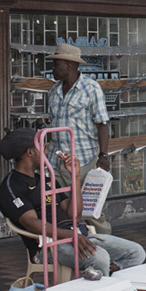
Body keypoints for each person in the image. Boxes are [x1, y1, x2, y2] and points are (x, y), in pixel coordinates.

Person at [0, 128, 145, 276]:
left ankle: (102, 280)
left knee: (136, 252)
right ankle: (99, 290)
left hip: (77, 235)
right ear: (30, 152)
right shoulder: (11, 187)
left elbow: (75, 216)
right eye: (43, 148)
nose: (47, 153)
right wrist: (70, 235)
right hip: (48, 246)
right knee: (100, 258)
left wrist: (75, 175)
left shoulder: (46, 180)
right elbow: (30, 223)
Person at [47, 44, 111, 231]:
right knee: (58, 207)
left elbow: (103, 124)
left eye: (56, 64)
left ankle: (106, 249)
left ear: (69, 65)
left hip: (83, 161)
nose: (53, 68)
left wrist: (103, 155)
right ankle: (68, 249)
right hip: (57, 162)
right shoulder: (54, 91)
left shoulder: (91, 88)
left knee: (90, 212)